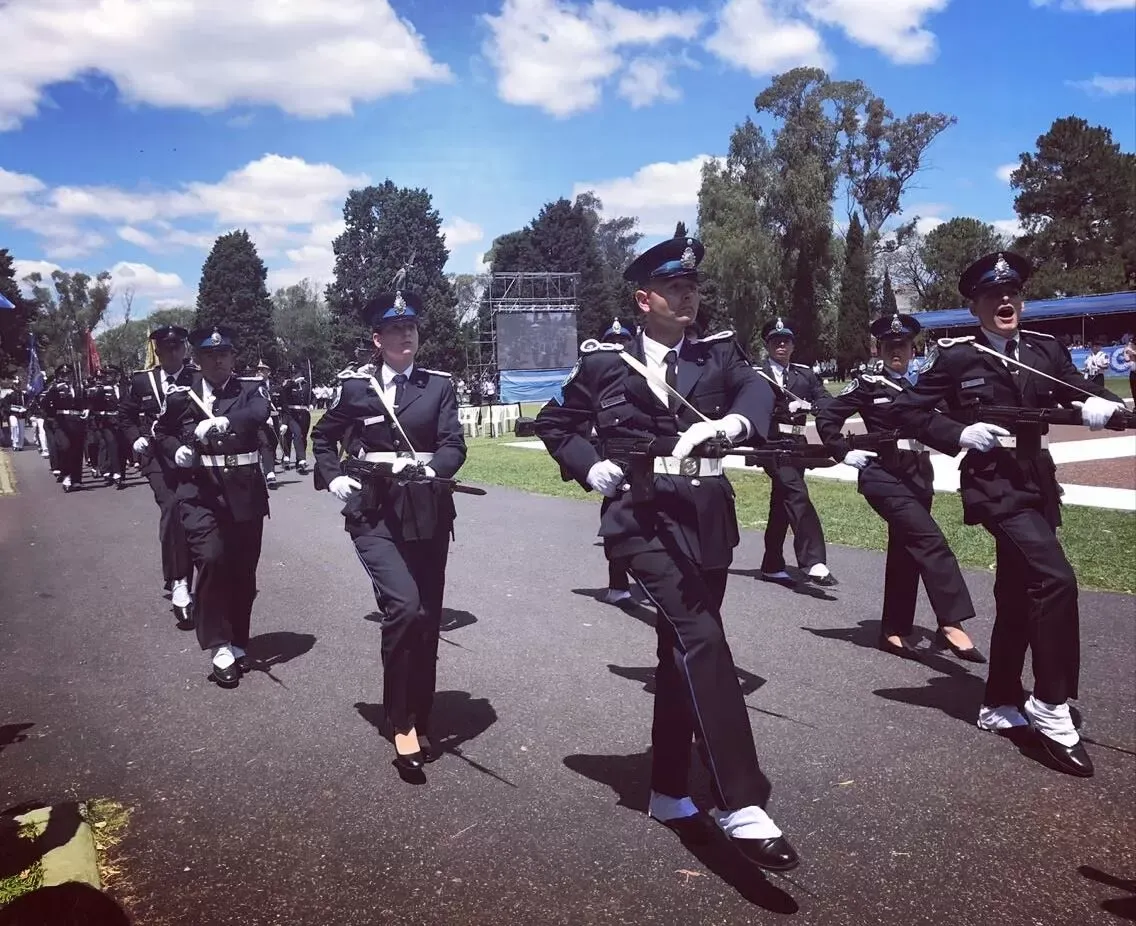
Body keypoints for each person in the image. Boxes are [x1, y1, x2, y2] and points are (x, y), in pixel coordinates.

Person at [535, 238, 799, 872]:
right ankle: (742, 802)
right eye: (674, 287)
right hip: (643, 522)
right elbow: (555, 422)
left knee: (679, 650)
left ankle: (671, 789)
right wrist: (589, 464)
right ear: (643, 298)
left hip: (707, 521)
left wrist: (731, 426)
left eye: (693, 287)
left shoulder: (718, 354)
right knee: (703, 638)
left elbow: (758, 394)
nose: (688, 296)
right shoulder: (606, 364)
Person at [890, 252, 1127, 778]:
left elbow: (1081, 391)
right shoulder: (957, 359)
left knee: (1019, 592)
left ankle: (998, 701)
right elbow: (904, 410)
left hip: (1036, 480)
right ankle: (1050, 703)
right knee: (1055, 580)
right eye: (994, 296)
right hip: (993, 485)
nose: (1006, 302)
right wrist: (957, 435)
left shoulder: (1044, 349)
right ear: (974, 306)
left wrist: (1103, 408)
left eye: (1013, 294)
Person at [311, 290, 466, 774]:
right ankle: (399, 722)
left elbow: (452, 446)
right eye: (395, 329)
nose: (406, 335)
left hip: (427, 512)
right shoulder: (356, 389)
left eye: (412, 328)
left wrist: (432, 470)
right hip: (374, 515)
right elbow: (322, 436)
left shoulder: (438, 386)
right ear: (377, 339)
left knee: (426, 618)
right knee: (403, 607)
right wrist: (334, 475)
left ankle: (422, 715)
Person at [815, 313, 983, 662]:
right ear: (879, 349)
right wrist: (843, 451)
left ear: (913, 347)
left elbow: (955, 415)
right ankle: (951, 621)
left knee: (907, 550)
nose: (897, 352)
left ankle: (893, 629)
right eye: (890, 346)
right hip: (882, 476)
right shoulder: (866, 384)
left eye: (903, 345)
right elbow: (828, 415)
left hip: (918, 474)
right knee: (929, 540)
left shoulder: (926, 382)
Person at [153, 326, 271, 688]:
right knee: (213, 560)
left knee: (243, 571)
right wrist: (179, 449)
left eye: (224, 354)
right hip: (200, 493)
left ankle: (237, 640)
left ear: (234, 357)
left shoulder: (250, 388)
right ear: (198, 359)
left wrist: (224, 421)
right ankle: (217, 643)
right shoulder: (180, 396)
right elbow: (162, 431)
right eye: (209, 355)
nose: (217, 361)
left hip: (245, 493)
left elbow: (259, 413)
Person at [118, 325, 198, 626]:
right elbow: (124, 414)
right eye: (166, 349)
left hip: (191, 455)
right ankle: (179, 581)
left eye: (177, 347)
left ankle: (205, 573)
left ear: (184, 349)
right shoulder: (142, 381)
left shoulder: (196, 378)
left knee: (198, 511)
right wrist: (134, 437)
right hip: (156, 458)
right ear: (158, 352)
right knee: (173, 507)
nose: (172, 353)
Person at [755, 318, 837, 587]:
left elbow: (825, 398)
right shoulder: (756, 374)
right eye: (776, 341)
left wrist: (811, 405)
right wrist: (783, 409)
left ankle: (772, 564)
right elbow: (751, 407)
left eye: (786, 340)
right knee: (796, 493)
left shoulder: (805, 374)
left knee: (781, 502)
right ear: (767, 345)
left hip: (797, 446)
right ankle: (813, 561)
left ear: (792, 345)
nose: (782, 345)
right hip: (770, 445)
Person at [598, 318, 637, 605]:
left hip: (648, 456)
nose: (617, 346)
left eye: (622, 341)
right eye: (612, 342)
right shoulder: (596, 376)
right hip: (614, 458)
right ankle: (617, 583)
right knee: (617, 522)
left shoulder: (648, 371)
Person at [40, 364, 86, 492]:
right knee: (66, 447)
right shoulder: (55, 389)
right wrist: (53, 415)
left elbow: (86, 402)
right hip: (62, 422)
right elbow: (44, 404)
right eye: (63, 375)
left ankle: (76, 479)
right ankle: (66, 475)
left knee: (77, 451)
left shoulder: (79, 387)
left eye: (68, 374)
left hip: (77, 421)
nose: (66, 377)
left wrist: (87, 409)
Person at [279, 367, 312, 474]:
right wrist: (293, 383)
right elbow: (283, 391)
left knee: (303, 436)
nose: (297, 375)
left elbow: (312, 396)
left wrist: (312, 403)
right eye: (294, 374)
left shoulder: (306, 385)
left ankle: (299, 462)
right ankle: (296, 458)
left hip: (304, 413)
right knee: (294, 434)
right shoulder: (289, 385)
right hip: (291, 414)